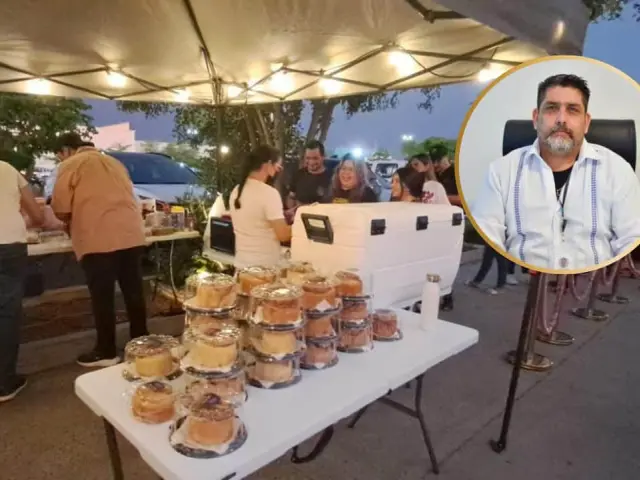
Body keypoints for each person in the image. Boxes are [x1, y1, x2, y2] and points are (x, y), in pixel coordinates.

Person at [471, 74, 640, 271]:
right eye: (551, 108)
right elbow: (489, 241)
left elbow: (631, 239)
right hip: (523, 283)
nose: (561, 119)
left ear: (586, 122)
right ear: (536, 118)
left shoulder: (617, 170)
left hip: (594, 285)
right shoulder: (500, 172)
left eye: (573, 110)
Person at [51, 133, 148, 368]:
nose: (60, 159)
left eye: (59, 155)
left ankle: (106, 351)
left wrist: (68, 219)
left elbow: (60, 206)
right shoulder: (115, 162)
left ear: (67, 150)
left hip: (97, 237)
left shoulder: (71, 164)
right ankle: (142, 345)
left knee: (102, 296)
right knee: (133, 292)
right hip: (131, 234)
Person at [0, 161, 44, 402]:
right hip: (9, 245)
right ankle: (4, 383)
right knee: (6, 313)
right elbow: (37, 215)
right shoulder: (7, 169)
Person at [229, 145, 291, 268]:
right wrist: (301, 223)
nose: (278, 171)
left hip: (241, 265)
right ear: (268, 164)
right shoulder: (269, 193)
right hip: (263, 269)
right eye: (278, 167)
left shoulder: (236, 190)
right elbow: (283, 235)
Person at [285, 140, 332, 209]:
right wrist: (292, 210)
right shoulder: (298, 174)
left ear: (323, 157)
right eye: (308, 158)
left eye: (315, 158)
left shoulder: (331, 177)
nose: (311, 162)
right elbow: (291, 197)